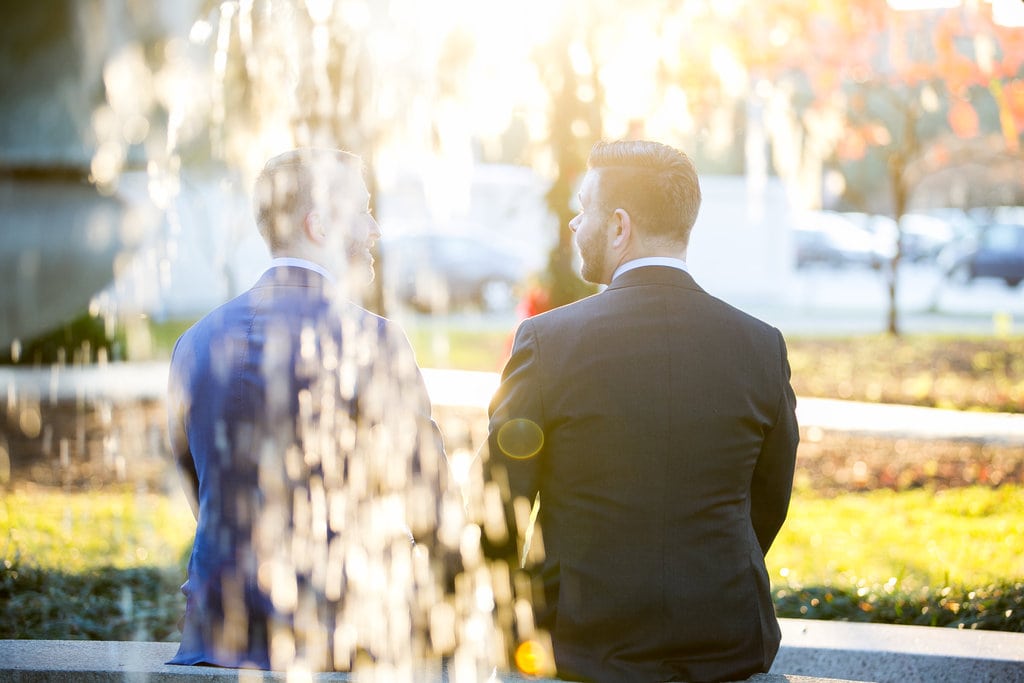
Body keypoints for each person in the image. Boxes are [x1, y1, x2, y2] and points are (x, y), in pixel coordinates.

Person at [483, 140, 800, 683]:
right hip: (724, 646)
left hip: (577, 647)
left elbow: (499, 501)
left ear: (619, 226)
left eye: (584, 210)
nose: (576, 224)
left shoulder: (546, 342)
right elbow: (768, 501)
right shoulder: (760, 346)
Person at [166, 148, 456, 672]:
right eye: (362, 210)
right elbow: (430, 502)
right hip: (335, 641)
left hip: (212, 643)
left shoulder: (193, 343)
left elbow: (199, 486)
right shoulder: (373, 341)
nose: (374, 229)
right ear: (318, 224)